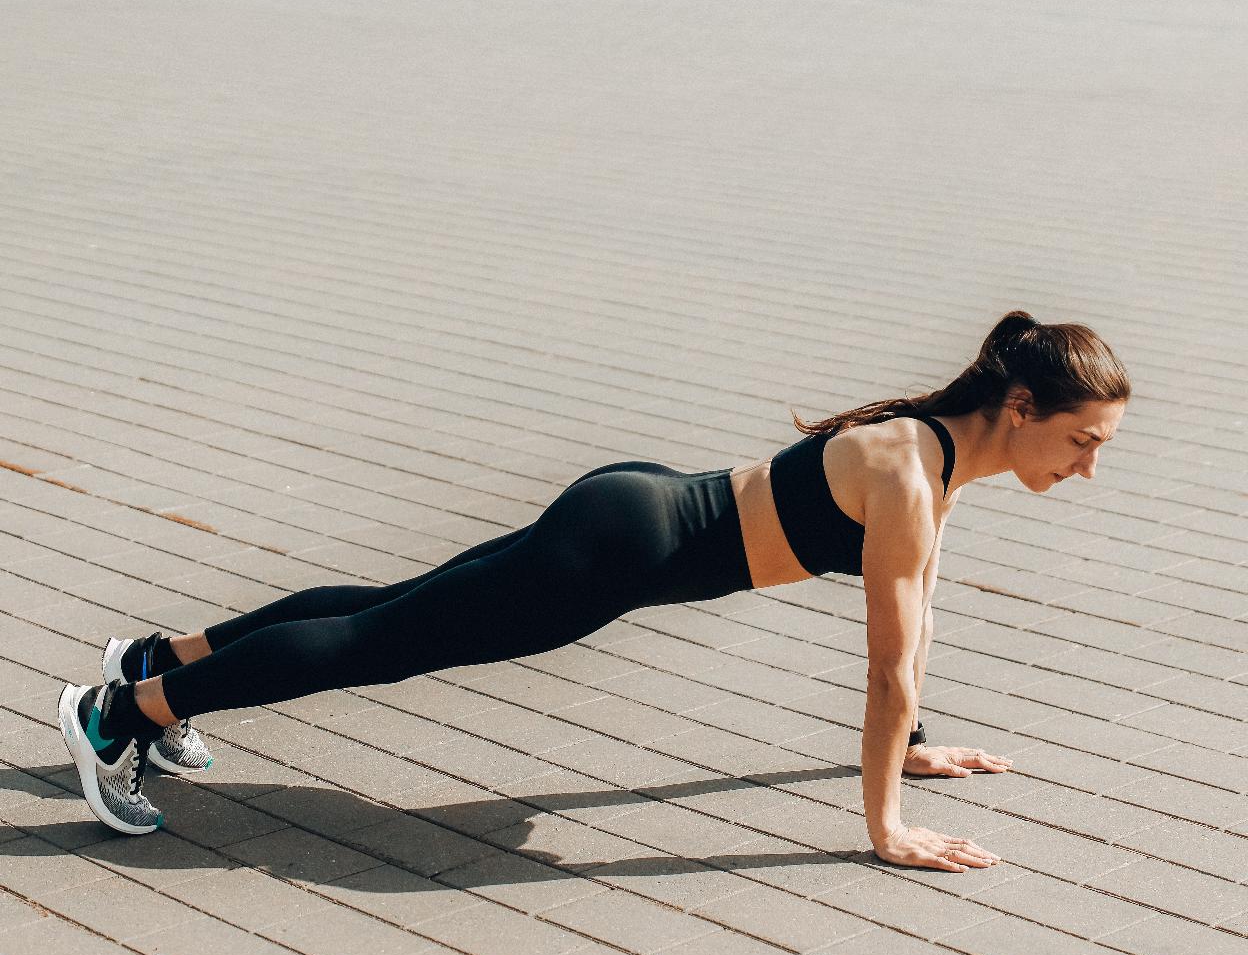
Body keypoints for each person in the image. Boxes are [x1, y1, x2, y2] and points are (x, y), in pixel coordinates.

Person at [58, 310, 1130, 870]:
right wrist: (886, 824)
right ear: (1024, 405)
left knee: (389, 606)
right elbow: (891, 664)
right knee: (377, 642)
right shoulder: (909, 474)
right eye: (1082, 442)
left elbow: (916, 636)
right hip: (613, 556)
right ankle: (120, 715)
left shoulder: (933, 458)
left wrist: (913, 745)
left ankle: (163, 660)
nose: (1089, 470)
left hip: (629, 507)